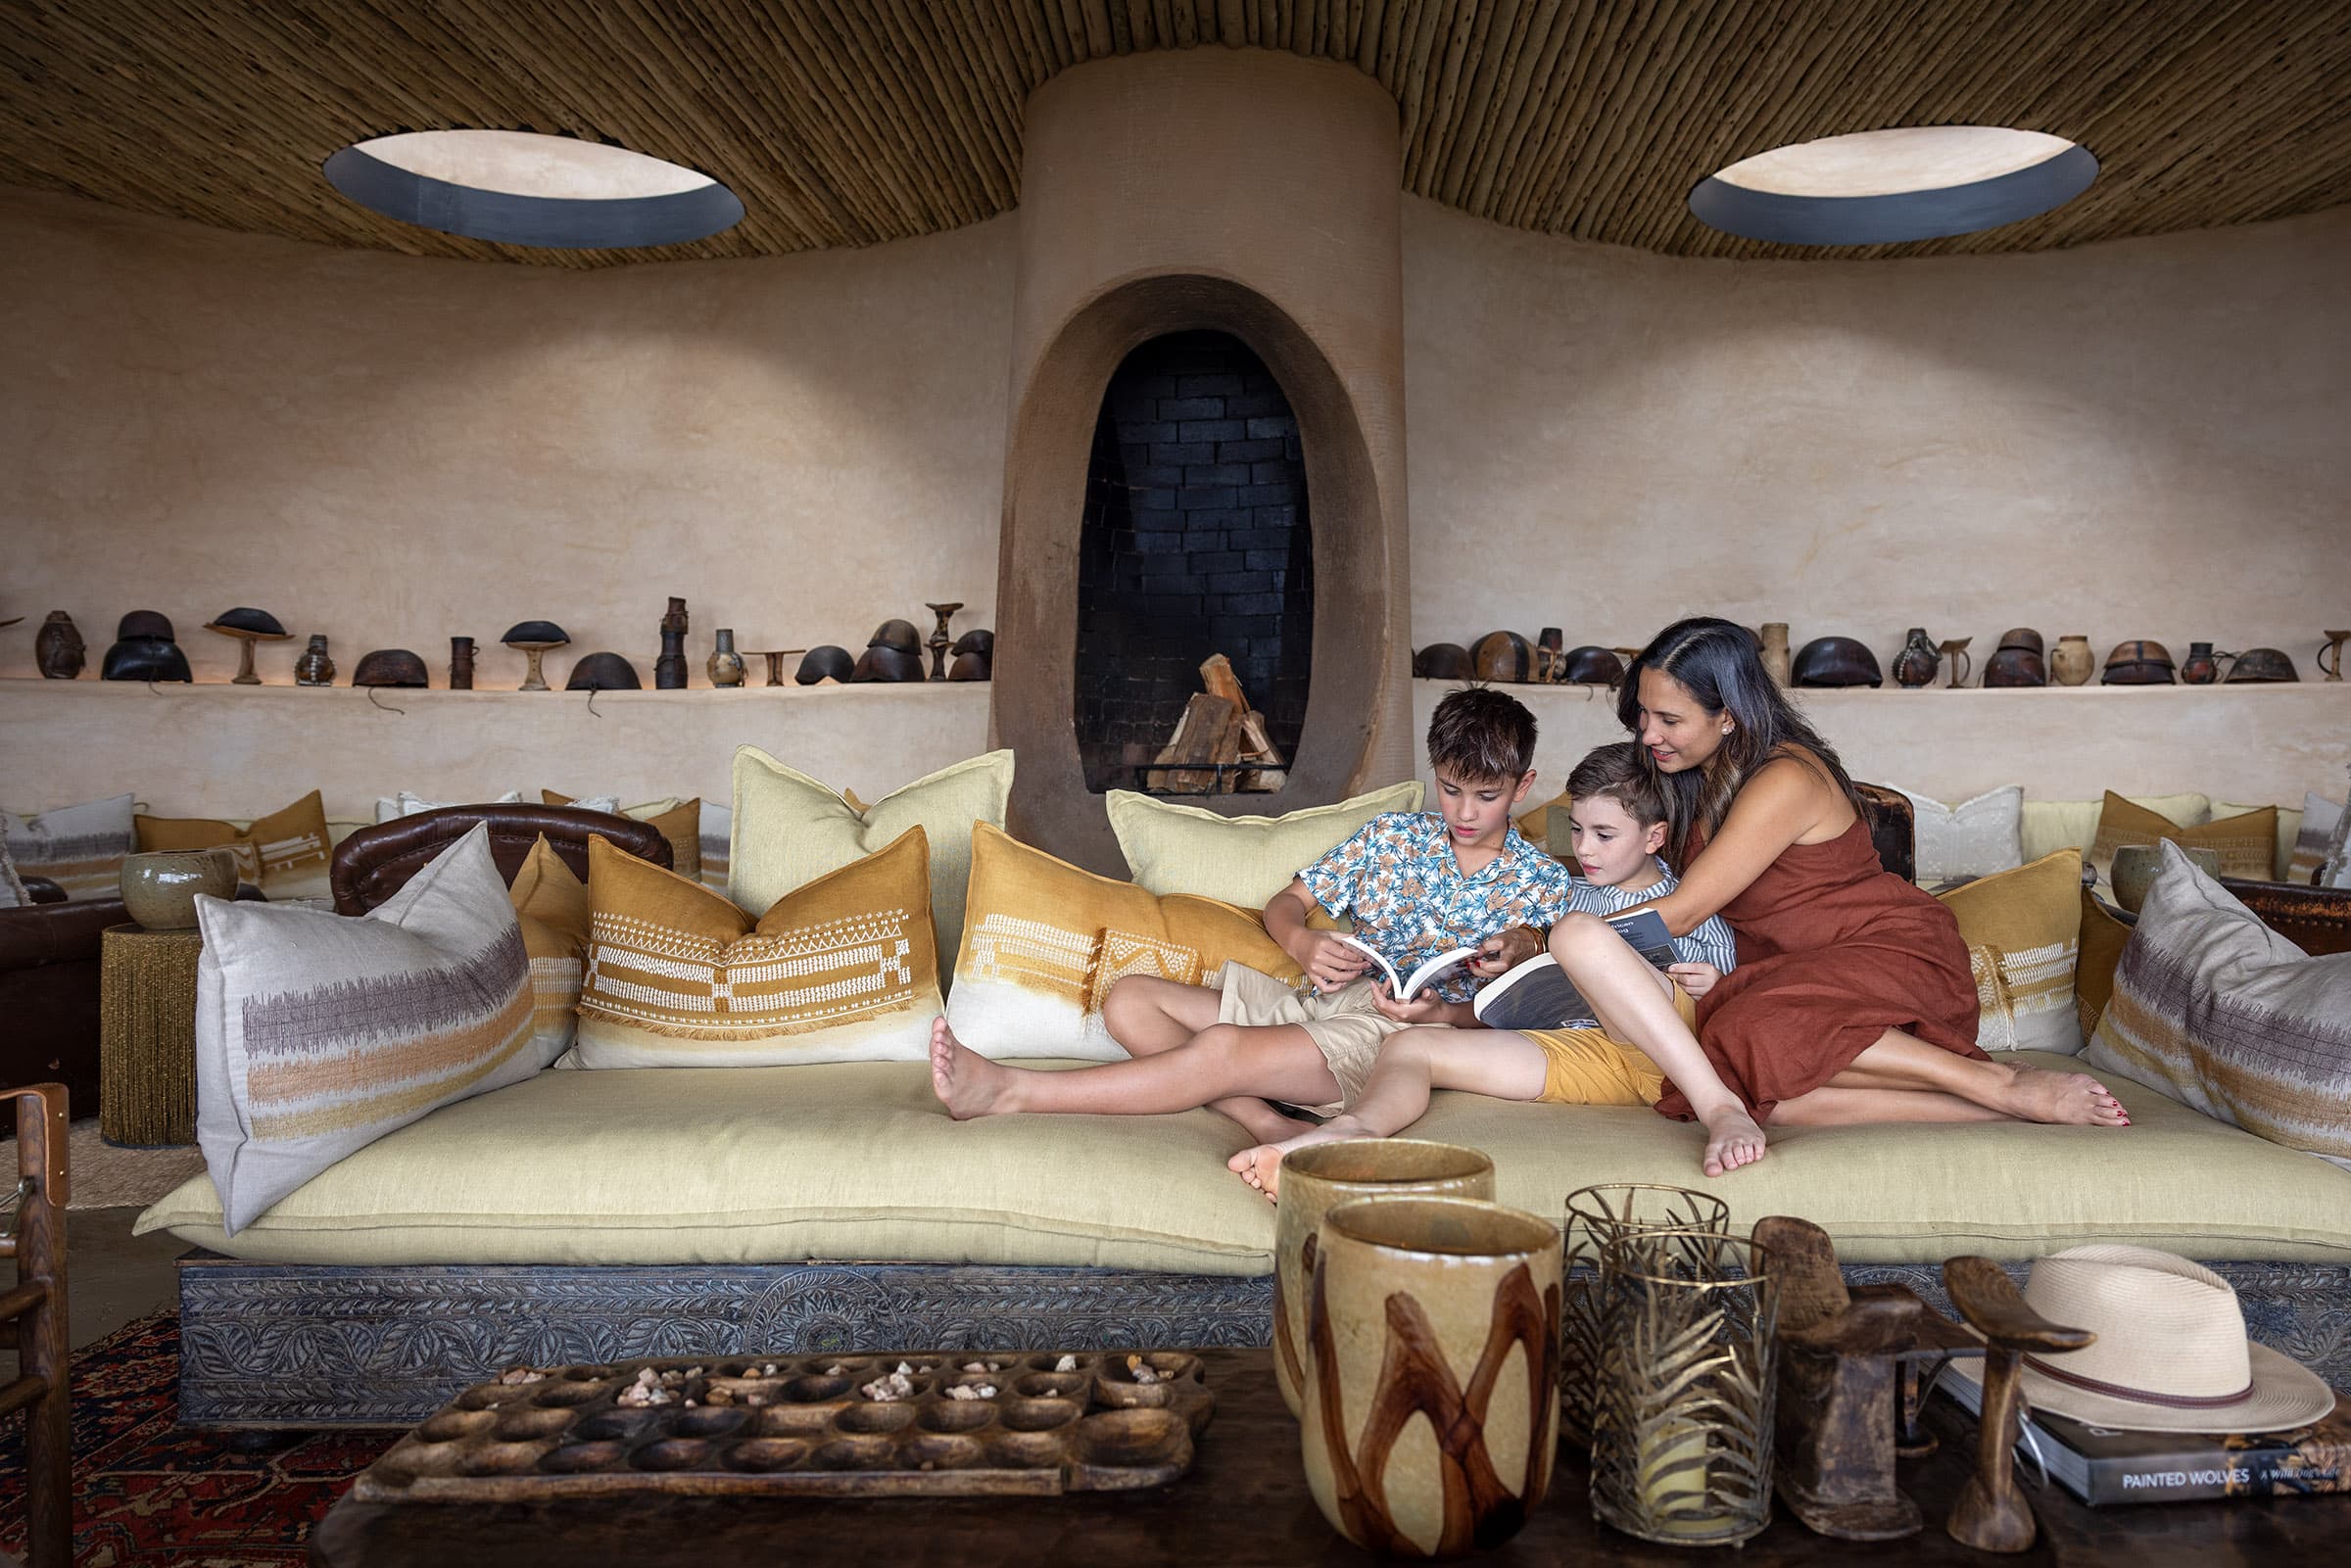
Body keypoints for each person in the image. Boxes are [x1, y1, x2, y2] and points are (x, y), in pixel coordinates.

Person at [928, 689, 1768, 1177]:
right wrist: (1302, 946)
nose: (1465, 813)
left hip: (1387, 1026)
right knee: (1132, 1000)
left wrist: (1474, 987)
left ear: (1523, 785)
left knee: (1217, 1049)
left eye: (1487, 796)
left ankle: (1010, 1090)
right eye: (1450, 791)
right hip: (1316, 999)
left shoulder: (1552, 882)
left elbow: (1527, 1008)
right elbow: (1282, 909)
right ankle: (1268, 1123)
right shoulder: (1391, 837)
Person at [1482, 616, 2130, 1134]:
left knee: (1749, 1031)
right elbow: (1623, 860)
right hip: (1779, 985)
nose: (1648, 734)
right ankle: (1993, 1109)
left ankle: (1995, 1081)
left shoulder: (1786, 775)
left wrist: (1544, 940)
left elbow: (1679, 912)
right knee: (1761, 1092)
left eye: (1670, 720)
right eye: (1642, 715)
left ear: (1728, 715)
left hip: (1887, 958)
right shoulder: (1687, 781)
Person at [1226, 741, 1744, 1199]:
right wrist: (1467, 996)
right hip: (1589, 1053)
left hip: (1667, 1057)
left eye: (1604, 835)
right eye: (1578, 830)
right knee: (1408, 1045)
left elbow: (1733, 1005)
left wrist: (1713, 985)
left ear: (1654, 838)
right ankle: (1350, 1133)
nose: (1584, 848)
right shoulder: (1565, 891)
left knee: (1576, 934)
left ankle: (1719, 1109)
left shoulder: (1689, 906)